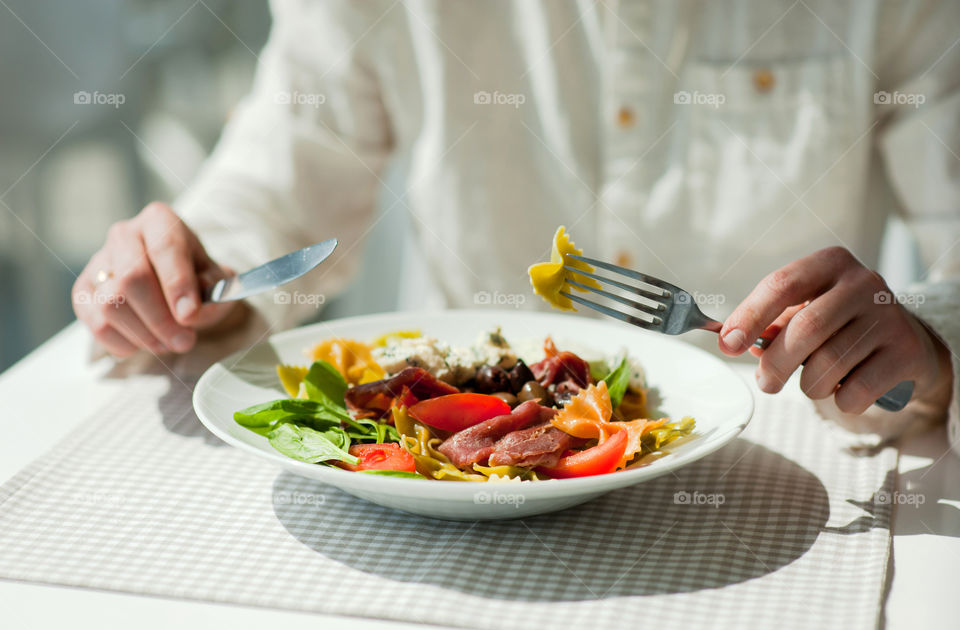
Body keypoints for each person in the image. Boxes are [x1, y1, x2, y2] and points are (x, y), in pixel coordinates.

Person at [72, 1, 959, 454]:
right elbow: (278, 180)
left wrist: (927, 333)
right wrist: (186, 271)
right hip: (447, 475)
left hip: (792, 467)